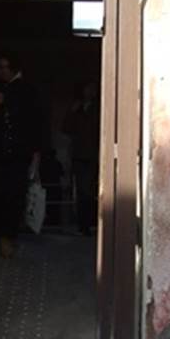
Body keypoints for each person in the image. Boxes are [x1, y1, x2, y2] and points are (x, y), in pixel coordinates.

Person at [0, 52, 42, 258]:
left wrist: (36, 152)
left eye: (6, 67)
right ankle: (1, 232)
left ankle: (8, 236)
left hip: (18, 154)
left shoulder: (29, 91)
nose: (2, 71)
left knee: (14, 195)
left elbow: (36, 123)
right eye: (0, 67)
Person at [62, 80, 100, 236]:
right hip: (79, 154)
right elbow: (65, 128)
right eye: (87, 88)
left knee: (90, 190)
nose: (89, 92)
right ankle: (84, 224)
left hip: (94, 154)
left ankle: (90, 223)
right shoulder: (76, 108)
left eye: (91, 89)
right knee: (82, 191)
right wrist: (72, 111)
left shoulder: (98, 107)